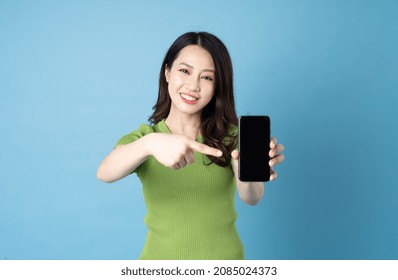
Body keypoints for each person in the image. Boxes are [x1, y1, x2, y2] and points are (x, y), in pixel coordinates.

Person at [96, 31, 285, 260]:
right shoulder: (147, 137)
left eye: (207, 77)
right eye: (184, 71)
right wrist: (150, 144)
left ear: (217, 86)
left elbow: (252, 198)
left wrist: (249, 167)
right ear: (167, 73)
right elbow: (105, 172)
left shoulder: (232, 137)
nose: (193, 86)